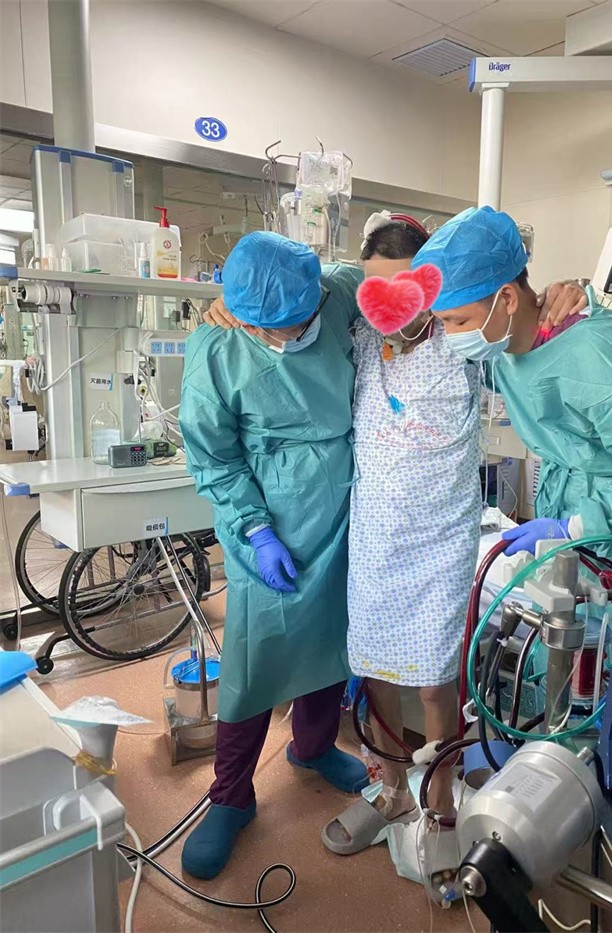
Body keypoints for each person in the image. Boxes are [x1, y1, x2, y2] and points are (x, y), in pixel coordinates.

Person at [199, 217, 586, 888]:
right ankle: (376, 790)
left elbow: (521, 327)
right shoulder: (345, 332)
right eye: (376, 290)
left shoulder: (457, 339)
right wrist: (232, 300)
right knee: (357, 667)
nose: (391, 304)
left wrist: (572, 292)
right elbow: (286, 299)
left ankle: (429, 802)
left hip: (425, 533)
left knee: (424, 677)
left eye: (409, 289)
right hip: (356, 532)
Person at [178, 231, 368, 881]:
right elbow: (214, 456)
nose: (288, 336)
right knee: (254, 656)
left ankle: (313, 747)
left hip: (343, 505)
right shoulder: (217, 343)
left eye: (298, 321)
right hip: (269, 514)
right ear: (244, 318)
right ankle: (230, 795)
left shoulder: (338, 291)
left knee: (330, 638)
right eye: (271, 329)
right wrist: (255, 531)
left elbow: (404, 271)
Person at [413, 206, 612, 590]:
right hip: (569, 533)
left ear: (507, 299)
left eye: (458, 321)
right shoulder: (505, 351)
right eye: (443, 321)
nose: (452, 335)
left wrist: (573, 528)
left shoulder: (599, 352)